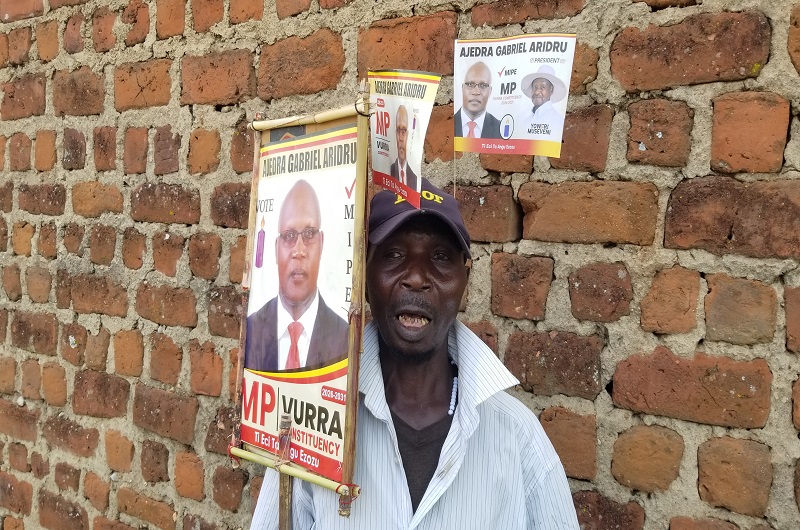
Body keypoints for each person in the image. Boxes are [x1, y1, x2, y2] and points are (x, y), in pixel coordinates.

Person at [251, 179, 579, 529]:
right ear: (363, 276)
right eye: (394, 255)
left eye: (440, 257)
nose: (417, 278)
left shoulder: (517, 435)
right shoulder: (310, 422)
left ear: (465, 279)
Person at [245, 179, 349, 372]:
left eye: (309, 234)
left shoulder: (344, 338)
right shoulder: (251, 330)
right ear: (276, 249)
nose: (299, 251)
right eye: (289, 236)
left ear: (321, 244)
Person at [453, 61, 502, 139]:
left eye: (483, 85)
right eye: (470, 84)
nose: (476, 92)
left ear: (490, 91)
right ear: (462, 88)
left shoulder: (500, 130)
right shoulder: (447, 123)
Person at [520, 64, 567, 139]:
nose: (536, 92)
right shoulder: (526, 121)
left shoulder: (557, 122)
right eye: (534, 87)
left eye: (542, 87)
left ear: (551, 90)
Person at [389, 105, 418, 189]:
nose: (401, 138)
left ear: (408, 134)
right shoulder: (389, 171)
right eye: (398, 130)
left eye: (404, 131)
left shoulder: (414, 176)